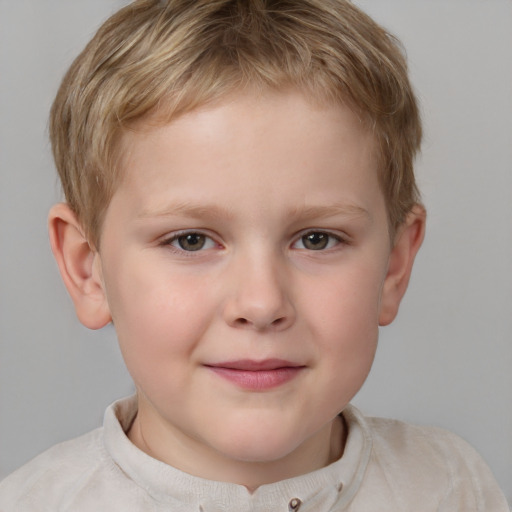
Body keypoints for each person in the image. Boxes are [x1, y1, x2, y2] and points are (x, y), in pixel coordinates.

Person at [0, 0, 508, 510]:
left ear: (393, 266)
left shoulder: (453, 488)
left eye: (317, 239)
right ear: (88, 269)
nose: (262, 303)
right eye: (191, 240)